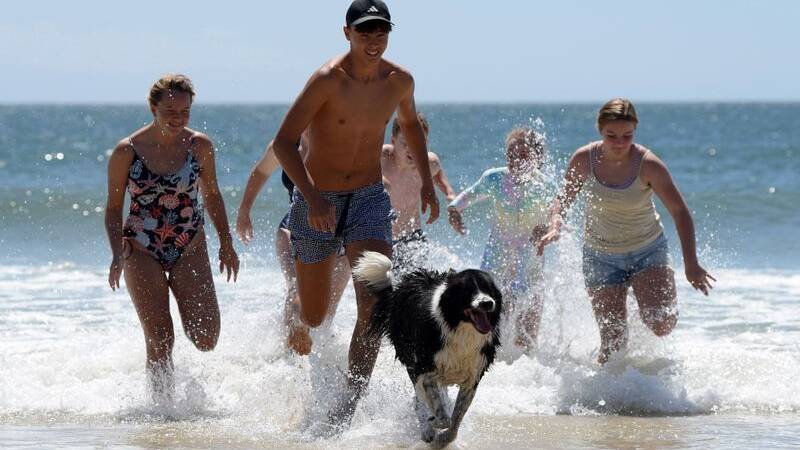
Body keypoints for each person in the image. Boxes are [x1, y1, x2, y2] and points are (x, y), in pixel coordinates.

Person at [271, 0, 439, 428]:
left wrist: (427, 182)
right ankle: (296, 313)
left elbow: (411, 126)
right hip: (318, 200)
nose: (374, 39)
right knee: (314, 315)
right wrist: (312, 197)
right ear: (347, 33)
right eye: (365, 31)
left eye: (382, 31)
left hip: (368, 199)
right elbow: (283, 143)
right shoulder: (328, 80)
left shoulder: (400, 81)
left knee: (376, 302)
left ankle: (348, 403)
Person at [537, 98, 715, 364]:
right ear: (600, 130)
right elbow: (561, 200)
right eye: (611, 135)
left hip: (647, 251)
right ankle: (612, 389)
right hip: (600, 257)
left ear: (635, 131)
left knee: (661, 323)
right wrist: (554, 224)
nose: (619, 142)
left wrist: (692, 264)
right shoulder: (584, 159)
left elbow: (680, 212)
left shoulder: (649, 164)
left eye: (627, 135)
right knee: (613, 343)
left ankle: (641, 294)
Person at [105, 74, 239, 400]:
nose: (178, 118)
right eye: (170, 111)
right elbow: (113, 208)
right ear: (153, 108)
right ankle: (162, 409)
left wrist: (226, 242)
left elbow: (212, 195)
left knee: (206, 338)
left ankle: (182, 392)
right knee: (161, 338)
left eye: (185, 111)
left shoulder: (199, 146)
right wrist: (116, 254)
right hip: (141, 247)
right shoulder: (127, 151)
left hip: (189, 244)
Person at [236, 135, 351, 356]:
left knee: (325, 313)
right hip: (293, 228)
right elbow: (260, 172)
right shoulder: (285, 146)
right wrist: (244, 211)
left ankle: (321, 362)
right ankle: (286, 360)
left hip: (339, 233)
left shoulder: (340, 143)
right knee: (296, 289)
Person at [447, 128, 550, 351]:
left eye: (523, 155)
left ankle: (525, 364)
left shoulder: (545, 186)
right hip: (498, 252)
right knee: (491, 306)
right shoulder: (495, 178)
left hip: (530, 256)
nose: (515, 161)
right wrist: (454, 210)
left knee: (528, 317)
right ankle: (490, 356)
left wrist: (546, 227)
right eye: (511, 155)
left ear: (537, 158)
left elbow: (559, 218)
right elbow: (467, 197)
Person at [382, 113, 456, 274]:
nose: (412, 148)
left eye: (419, 143)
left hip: (412, 239)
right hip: (381, 240)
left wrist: (450, 196)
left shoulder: (431, 163)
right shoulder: (381, 158)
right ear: (393, 141)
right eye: (405, 143)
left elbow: (438, 174)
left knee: (414, 285)